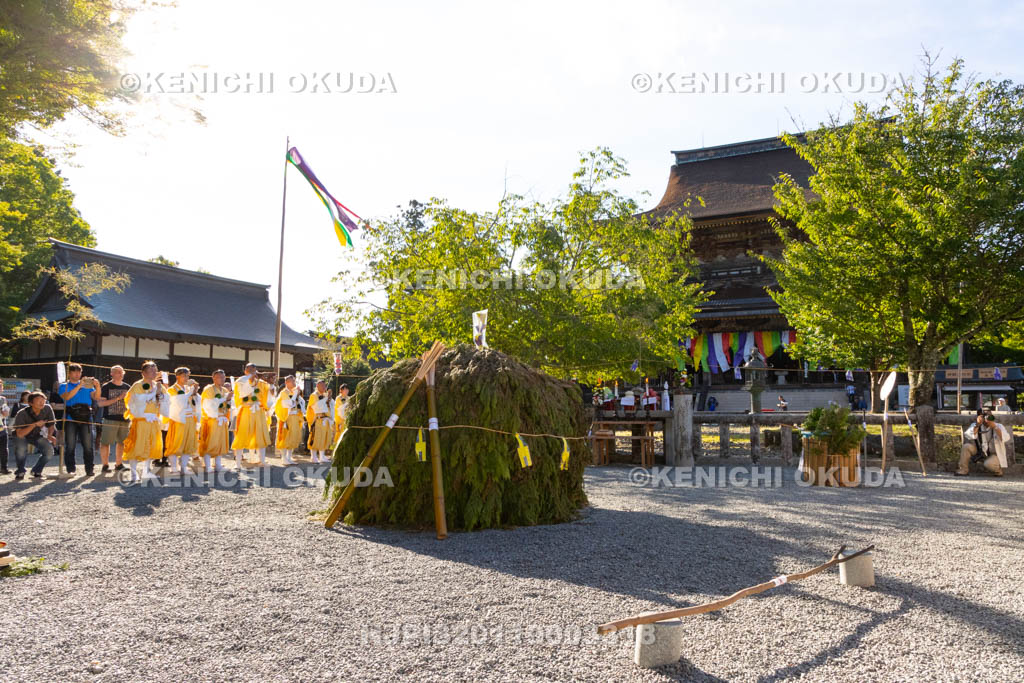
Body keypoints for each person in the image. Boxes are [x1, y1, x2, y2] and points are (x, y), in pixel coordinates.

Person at [122, 361, 169, 481]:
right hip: (141, 419)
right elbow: (136, 400)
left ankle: (146, 471)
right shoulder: (138, 385)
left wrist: (161, 394)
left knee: (150, 445)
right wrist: (154, 393)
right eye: (151, 370)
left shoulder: (158, 385)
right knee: (137, 446)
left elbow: (165, 400)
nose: (154, 372)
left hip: (153, 419)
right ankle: (133, 473)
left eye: (155, 370)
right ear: (143, 373)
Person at [58, 363, 99, 476]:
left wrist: (98, 386)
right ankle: (71, 469)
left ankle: (89, 469)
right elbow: (67, 397)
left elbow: (96, 397)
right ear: (69, 373)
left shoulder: (88, 385)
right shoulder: (63, 386)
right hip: (71, 418)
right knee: (70, 445)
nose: (77, 374)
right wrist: (79, 386)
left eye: (79, 372)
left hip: (86, 417)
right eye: (74, 372)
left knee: (88, 445)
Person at [231, 363, 272, 468]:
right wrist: (250, 376)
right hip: (246, 410)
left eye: (253, 370)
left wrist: (271, 387)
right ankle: (238, 463)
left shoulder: (262, 383)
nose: (251, 372)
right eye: (249, 370)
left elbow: (268, 398)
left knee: (261, 435)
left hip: (259, 411)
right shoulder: (241, 381)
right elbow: (240, 394)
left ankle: (262, 460)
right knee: (241, 435)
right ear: (245, 371)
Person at [10, 391, 57, 480]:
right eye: (38, 400)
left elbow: (51, 424)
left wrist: (50, 435)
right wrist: (34, 424)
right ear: (31, 403)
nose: (42, 403)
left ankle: (36, 470)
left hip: (36, 434)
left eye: (43, 400)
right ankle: (20, 471)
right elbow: (20, 434)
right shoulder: (22, 413)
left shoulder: (47, 408)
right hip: (22, 434)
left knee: (49, 451)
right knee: (21, 450)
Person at [163, 367, 200, 475]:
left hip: (190, 419)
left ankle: (184, 467)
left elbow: (195, 403)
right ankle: (174, 468)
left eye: (188, 376)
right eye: (184, 375)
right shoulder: (171, 389)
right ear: (177, 376)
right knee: (175, 443)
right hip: (178, 420)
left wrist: (195, 393)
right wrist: (189, 394)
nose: (186, 378)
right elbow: (175, 403)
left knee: (188, 444)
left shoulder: (188, 389)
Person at [95, 365, 131, 474]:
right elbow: (100, 403)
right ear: (111, 374)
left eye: (121, 372)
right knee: (106, 442)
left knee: (122, 443)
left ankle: (119, 464)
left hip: (125, 419)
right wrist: (118, 398)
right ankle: (105, 465)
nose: (119, 374)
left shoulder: (128, 387)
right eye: (116, 372)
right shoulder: (106, 387)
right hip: (109, 418)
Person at [956, 411, 1011, 477]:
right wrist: (978, 424)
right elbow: (969, 436)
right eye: (985, 416)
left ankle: (998, 470)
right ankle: (963, 470)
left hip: (993, 453)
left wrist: (995, 427)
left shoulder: (999, 426)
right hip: (980, 451)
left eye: (990, 416)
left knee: (988, 464)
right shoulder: (976, 425)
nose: (988, 419)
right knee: (966, 447)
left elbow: (1006, 438)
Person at [199, 370, 232, 472]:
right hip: (212, 419)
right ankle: (208, 465)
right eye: (219, 377)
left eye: (223, 377)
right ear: (213, 378)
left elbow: (229, 405)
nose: (221, 379)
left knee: (220, 442)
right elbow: (208, 404)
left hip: (222, 418)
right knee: (211, 442)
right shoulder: (209, 389)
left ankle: (218, 465)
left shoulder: (225, 391)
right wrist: (224, 399)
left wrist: (229, 400)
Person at [273, 376, 305, 464]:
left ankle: (289, 457)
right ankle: (284, 458)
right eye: (292, 381)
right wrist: (295, 395)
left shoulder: (294, 392)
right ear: (287, 382)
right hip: (286, 418)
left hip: (295, 417)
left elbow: (301, 404)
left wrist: (297, 396)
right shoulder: (284, 393)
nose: (294, 383)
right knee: (285, 437)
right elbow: (289, 404)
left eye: (295, 381)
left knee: (293, 437)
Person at [306, 380, 334, 463]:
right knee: (315, 438)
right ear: (317, 386)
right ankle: (313, 457)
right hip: (317, 420)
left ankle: (322, 456)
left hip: (325, 420)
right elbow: (316, 407)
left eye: (325, 386)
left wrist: (329, 398)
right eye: (322, 386)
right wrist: (326, 398)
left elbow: (331, 406)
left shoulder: (325, 395)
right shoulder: (314, 395)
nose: (324, 388)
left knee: (324, 438)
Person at [0, 394, 10, 475]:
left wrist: (3, 411)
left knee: (4, 449)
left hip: (2, 428)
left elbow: (6, 414)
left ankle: (4, 467)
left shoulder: (3, 399)